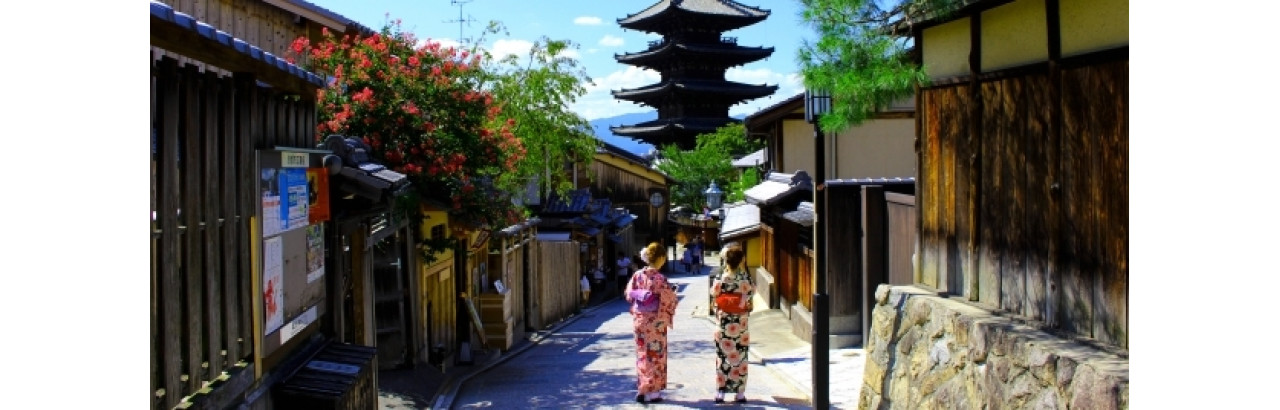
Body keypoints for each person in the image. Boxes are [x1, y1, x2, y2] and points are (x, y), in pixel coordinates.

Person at [624, 242, 679, 403]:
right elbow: (670, 299)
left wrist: (642, 296)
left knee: (642, 354)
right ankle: (653, 392)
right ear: (661, 258)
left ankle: (642, 388)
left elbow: (629, 294)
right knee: (655, 354)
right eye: (664, 258)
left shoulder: (637, 275)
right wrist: (672, 295)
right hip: (655, 321)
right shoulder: (660, 278)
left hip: (640, 319)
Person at [710, 242, 754, 403]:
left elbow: (714, 293)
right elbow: (751, 293)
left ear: (726, 261)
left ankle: (720, 392)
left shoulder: (720, 277)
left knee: (722, 357)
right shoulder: (745, 278)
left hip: (723, 322)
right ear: (741, 261)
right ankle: (740, 393)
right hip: (740, 324)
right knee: (740, 357)